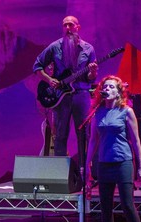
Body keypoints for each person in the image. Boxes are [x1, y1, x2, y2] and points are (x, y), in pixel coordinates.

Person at [33, 15, 98, 168]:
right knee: (60, 134)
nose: (68, 28)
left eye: (71, 25)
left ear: (78, 27)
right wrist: (49, 80)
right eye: (65, 25)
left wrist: (93, 73)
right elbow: (37, 66)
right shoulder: (55, 46)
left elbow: (90, 78)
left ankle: (84, 172)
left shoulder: (88, 49)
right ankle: (60, 171)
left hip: (81, 95)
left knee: (84, 134)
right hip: (61, 98)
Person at [85, 75, 141, 222]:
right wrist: (87, 164)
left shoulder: (126, 111)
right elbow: (92, 141)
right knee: (105, 205)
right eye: (104, 87)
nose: (106, 89)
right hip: (104, 163)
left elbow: (136, 141)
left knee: (127, 203)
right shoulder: (97, 113)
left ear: (118, 92)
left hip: (123, 162)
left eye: (111, 87)